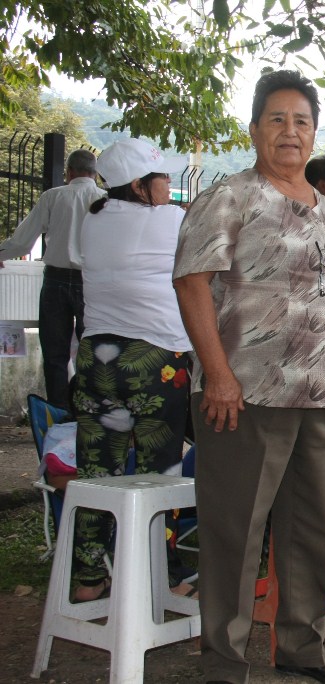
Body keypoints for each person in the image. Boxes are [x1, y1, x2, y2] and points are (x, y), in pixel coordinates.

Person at [173, 70, 325, 684]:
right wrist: (219, 375)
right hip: (245, 394)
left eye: (302, 121)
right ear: (254, 129)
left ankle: (302, 650)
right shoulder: (230, 198)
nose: (290, 131)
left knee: (312, 529)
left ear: (315, 134)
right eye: (277, 119)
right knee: (236, 530)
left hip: (321, 398)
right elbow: (191, 281)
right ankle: (224, 665)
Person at [69, 139, 192, 603]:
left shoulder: (93, 221)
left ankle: (88, 578)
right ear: (140, 186)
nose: (169, 187)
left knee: (98, 474)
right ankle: (164, 578)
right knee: (161, 474)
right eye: (162, 180)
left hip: (96, 359)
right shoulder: (170, 221)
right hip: (155, 363)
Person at [0, 150, 106, 409]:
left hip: (56, 281)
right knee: (93, 352)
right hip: (92, 282)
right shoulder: (107, 200)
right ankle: (89, 409)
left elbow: (23, 242)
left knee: (55, 354)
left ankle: (59, 411)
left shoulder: (53, 196)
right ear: (96, 174)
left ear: (68, 172)